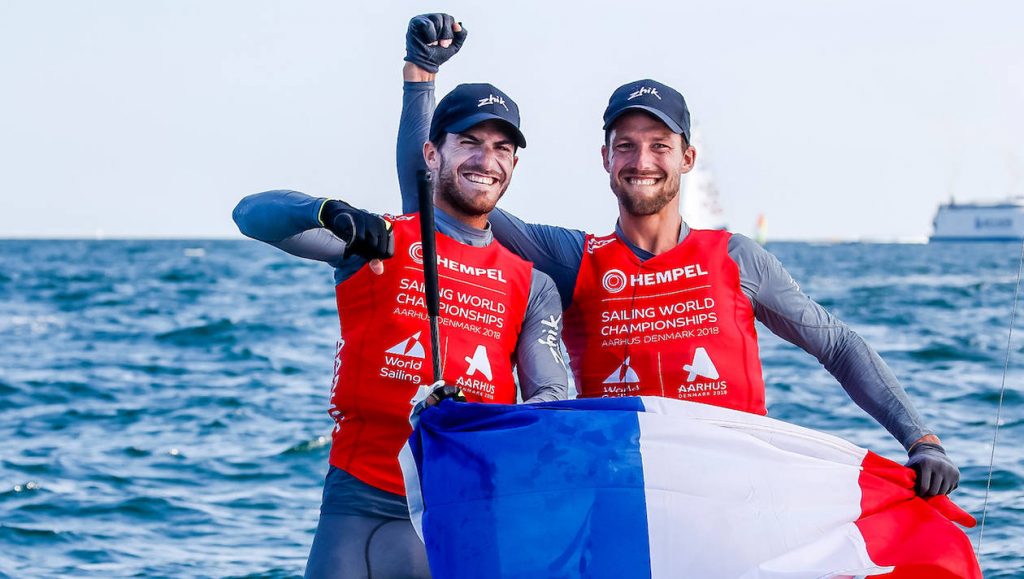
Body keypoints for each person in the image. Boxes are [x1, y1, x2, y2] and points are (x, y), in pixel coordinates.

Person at [396, 29, 960, 499]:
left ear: (687, 158)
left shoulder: (736, 258)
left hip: (735, 499)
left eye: (659, 145)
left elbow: (836, 345)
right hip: (624, 503)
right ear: (605, 159)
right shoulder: (572, 260)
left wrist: (921, 440)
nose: (642, 161)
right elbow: (432, 199)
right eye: (626, 145)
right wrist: (421, 76)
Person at [234, 15, 568, 578]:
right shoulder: (378, 240)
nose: (486, 160)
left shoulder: (532, 284)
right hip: (355, 500)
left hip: (460, 505)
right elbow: (250, 216)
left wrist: (475, 417)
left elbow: (552, 398)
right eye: (469, 142)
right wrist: (325, 210)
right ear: (433, 154)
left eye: (501, 147)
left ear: (513, 163)